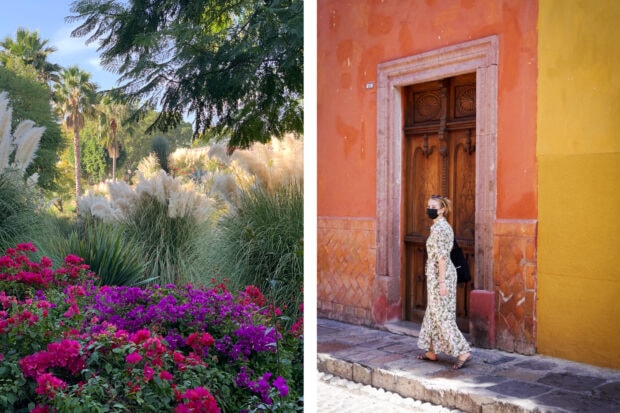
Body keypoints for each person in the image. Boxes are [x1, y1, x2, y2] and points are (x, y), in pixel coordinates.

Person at [417, 194, 472, 369]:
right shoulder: (438, 227)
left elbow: (441, 258)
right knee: (433, 313)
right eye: (428, 205)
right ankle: (431, 351)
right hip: (436, 276)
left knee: (442, 315)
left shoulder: (441, 229)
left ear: (441, 210)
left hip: (442, 277)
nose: (430, 208)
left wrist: (441, 283)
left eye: (433, 206)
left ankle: (463, 350)